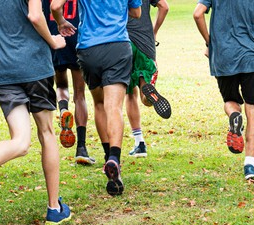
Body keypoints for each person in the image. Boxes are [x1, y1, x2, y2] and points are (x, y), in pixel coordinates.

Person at [0, 0, 71, 225]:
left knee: (21, 141)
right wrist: (53, 41)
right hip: (34, 68)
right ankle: (54, 208)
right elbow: (35, 16)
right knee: (47, 133)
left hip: (4, 71)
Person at [51, 0, 142, 196]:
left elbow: (55, 6)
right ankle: (115, 159)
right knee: (114, 107)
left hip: (89, 49)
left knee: (99, 104)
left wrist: (61, 22)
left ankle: (107, 155)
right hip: (118, 46)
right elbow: (136, 12)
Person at [193, 0, 254, 180]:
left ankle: (234, 116)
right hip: (252, 58)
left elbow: (197, 13)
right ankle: (250, 164)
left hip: (223, 56)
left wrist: (210, 42)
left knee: (230, 101)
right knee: (253, 108)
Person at [42, 0, 95, 165]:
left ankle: (63, 109)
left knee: (61, 85)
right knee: (80, 94)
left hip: (54, 36)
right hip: (75, 35)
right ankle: (81, 148)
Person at [125, 0, 171, 158]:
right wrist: (154, 31)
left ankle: (139, 142)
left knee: (130, 93)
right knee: (144, 95)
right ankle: (149, 95)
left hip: (123, 42)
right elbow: (164, 7)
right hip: (146, 41)